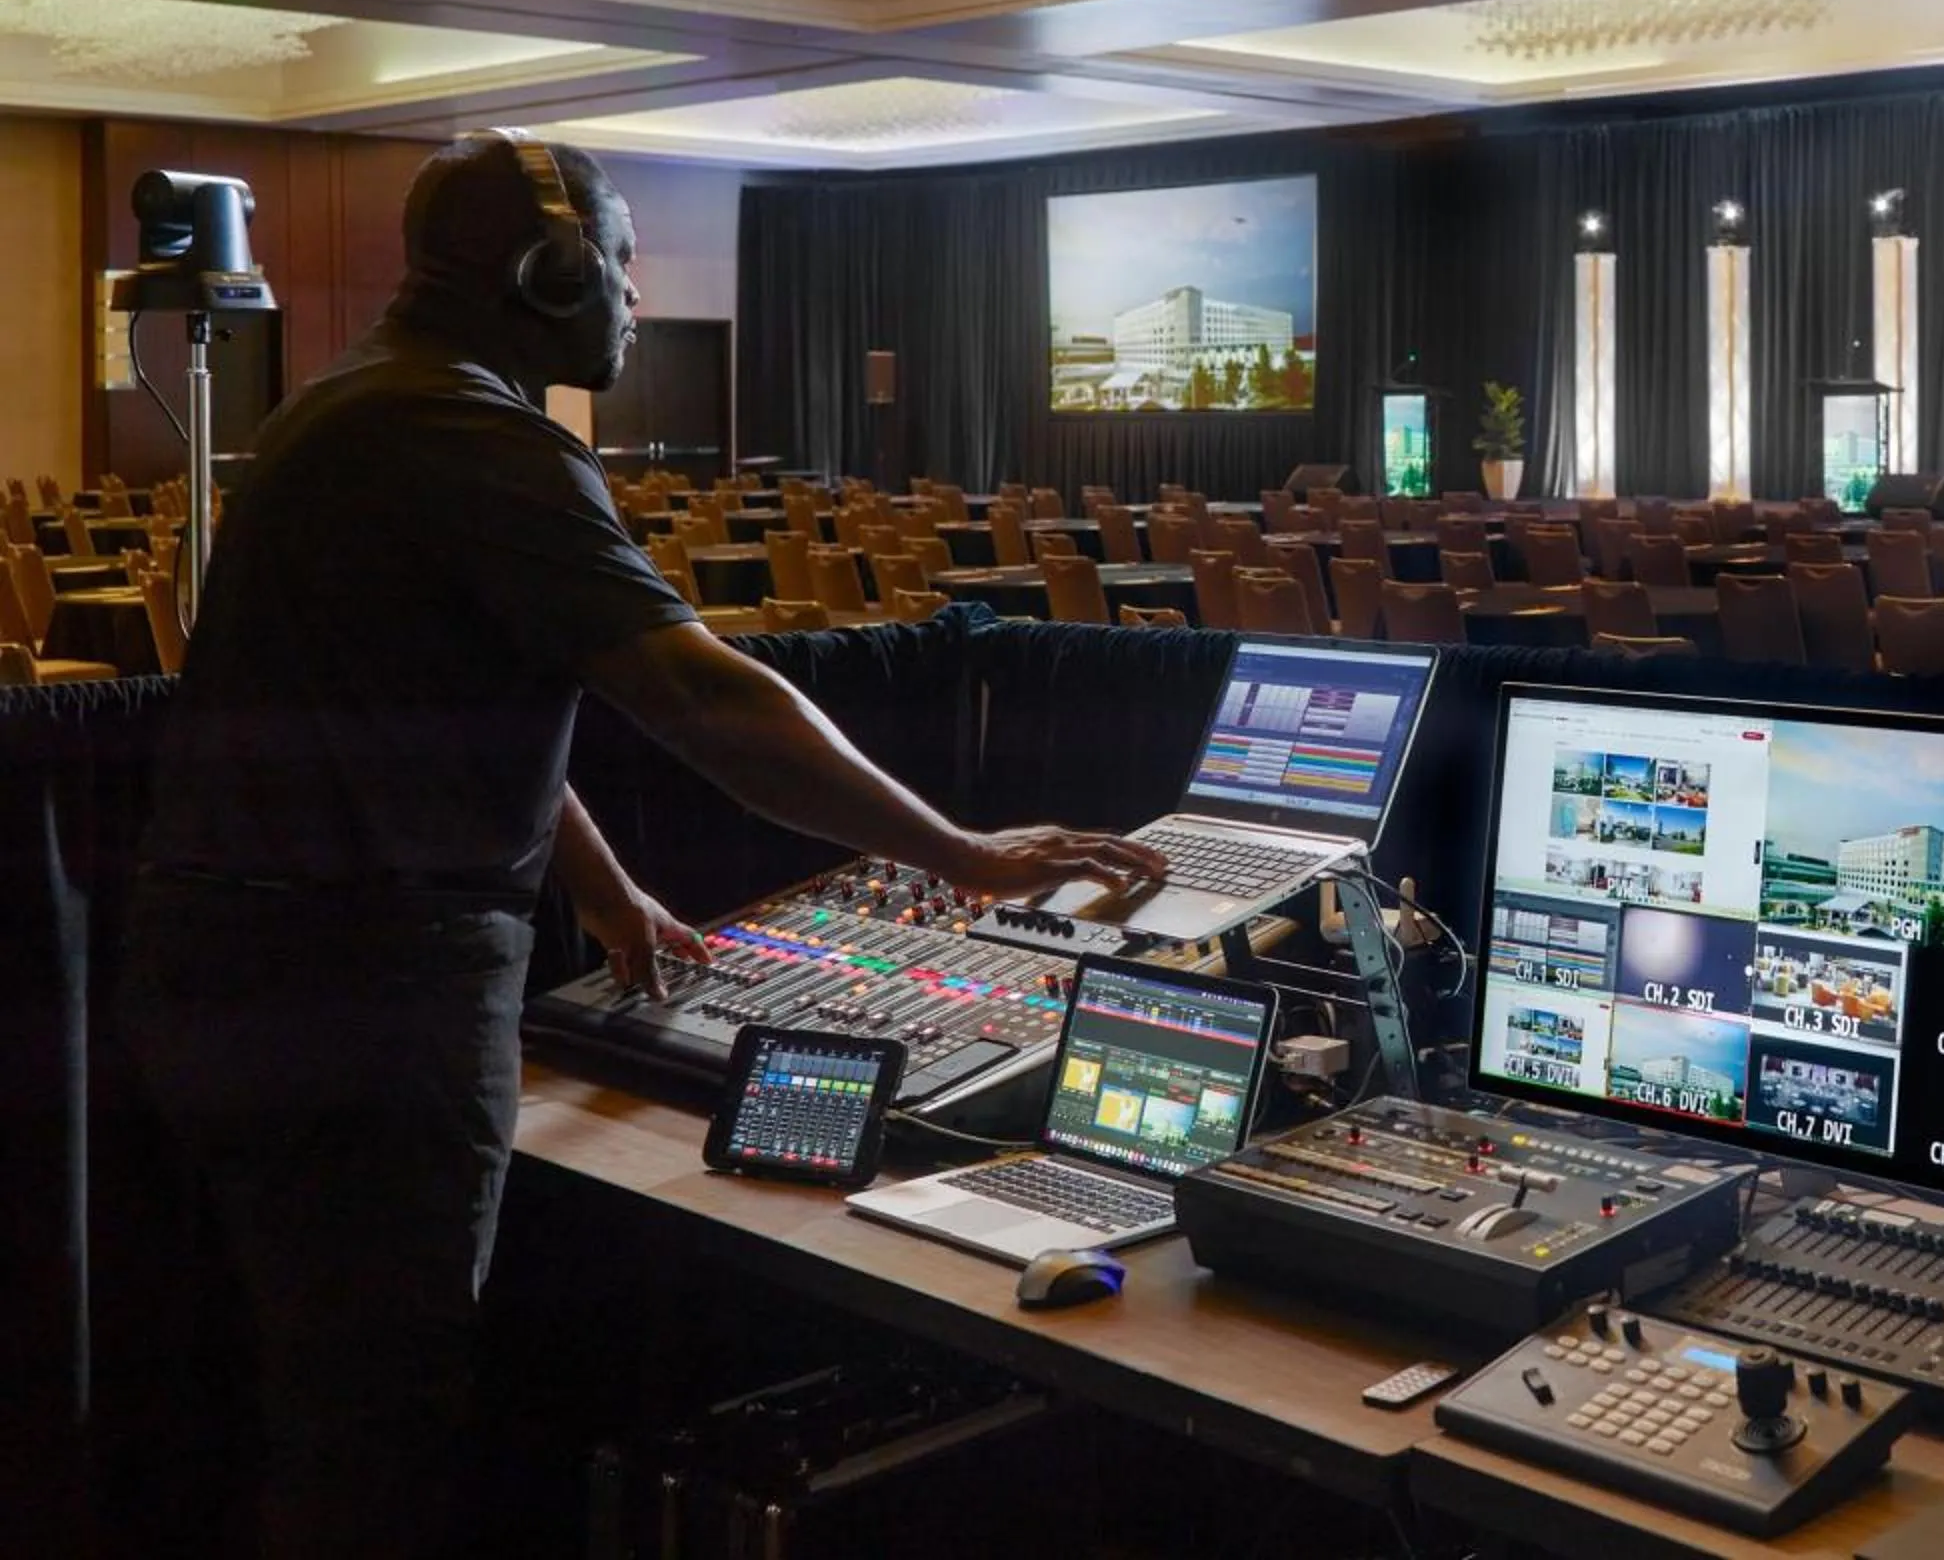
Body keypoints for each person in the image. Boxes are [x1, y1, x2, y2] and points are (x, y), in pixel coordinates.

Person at [118, 130, 1165, 1558]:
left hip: (260, 968)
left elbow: (444, 708)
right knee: (377, 1424)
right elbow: (701, 695)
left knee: (332, 1399)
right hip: (366, 988)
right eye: (617, 265)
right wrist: (964, 856)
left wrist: (607, 893)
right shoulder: (473, 436)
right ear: (548, 275)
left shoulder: (356, 406)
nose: (626, 297)